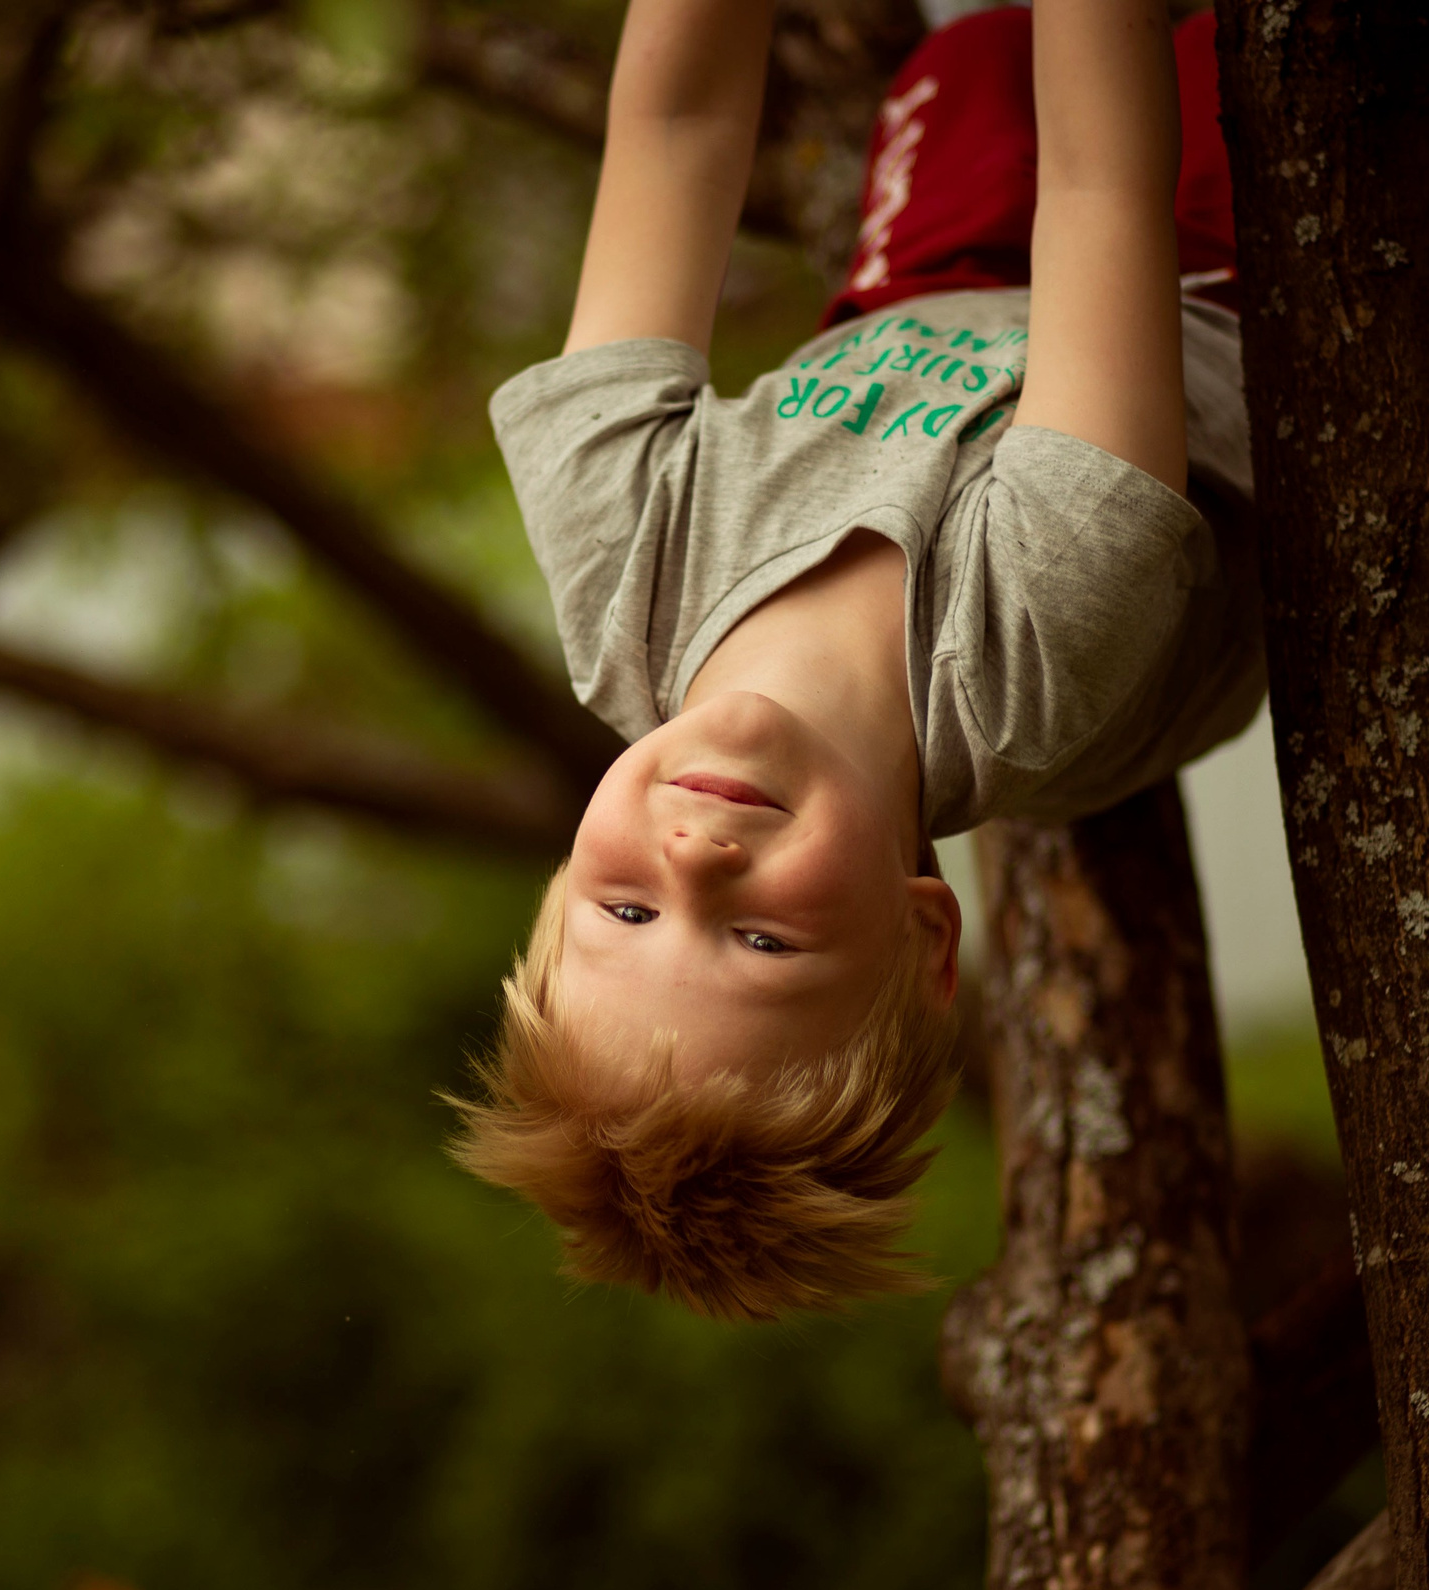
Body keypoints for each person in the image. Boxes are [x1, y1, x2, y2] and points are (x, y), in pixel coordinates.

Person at [453, 0, 1262, 1321]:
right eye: (762, 940)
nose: (695, 865)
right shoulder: (1031, 642)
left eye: (628, 914)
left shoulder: (623, 580)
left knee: (977, 61)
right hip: (1199, 276)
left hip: (930, 296)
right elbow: (1104, 188)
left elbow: (675, 128)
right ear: (926, 932)